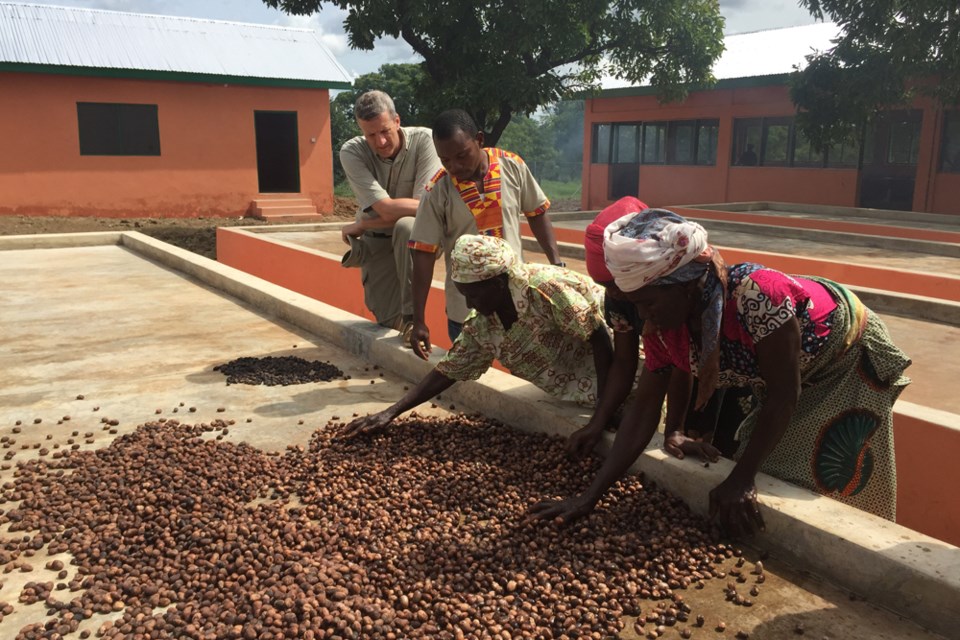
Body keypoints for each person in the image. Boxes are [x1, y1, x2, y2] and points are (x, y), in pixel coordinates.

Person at [530, 209, 910, 535]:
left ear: (686, 285)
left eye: (647, 302)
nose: (644, 317)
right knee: (772, 461)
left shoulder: (758, 295)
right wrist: (588, 497)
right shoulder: (666, 327)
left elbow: (784, 394)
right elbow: (645, 409)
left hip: (842, 360)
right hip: (785, 378)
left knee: (830, 468)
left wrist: (741, 479)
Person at [343, 235, 613, 438]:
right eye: (465, 295)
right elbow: (449, 370)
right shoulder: (484, 324)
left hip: (620, 364)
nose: (470, 304)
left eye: (474, 294)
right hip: (582, 385)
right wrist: (390, 413)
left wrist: (603, 412)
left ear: (497, 283)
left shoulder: (543, 288)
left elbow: (601, 338)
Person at [567, 198, 753, 460]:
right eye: (606, 285)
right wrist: (598, 421)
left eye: (614, 284)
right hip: (680, 366)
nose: (615, 293)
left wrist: (674, 429)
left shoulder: (677, 287)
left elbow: (682, 365)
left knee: (720, 445)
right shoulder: (622, 299)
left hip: (716, 372)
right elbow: (624, 361)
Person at [407, 109, 564, 356]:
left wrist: (557, 262)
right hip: (466, 310)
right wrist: (418, 319)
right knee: (469, 378)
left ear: (479, 140)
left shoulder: (512, 166)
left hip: (517, 301)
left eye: (462, 155)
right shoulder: (437, 189)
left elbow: (537, 212)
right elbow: (423, 253)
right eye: (445, 160)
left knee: (525, 371)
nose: (454, 166)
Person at [339, 90, 442, 336]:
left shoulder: (426, 140)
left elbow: (425, 208)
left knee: (406, 225)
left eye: (385, 131)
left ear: (397, 121)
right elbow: (386, 208)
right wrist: (384, 214)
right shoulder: (352, 152)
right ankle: (403, 323)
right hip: (379, 241)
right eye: (371, 135)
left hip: (419, 235)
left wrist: (363, 224)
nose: (380, 142)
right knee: (385, 316)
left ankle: (413, 319)